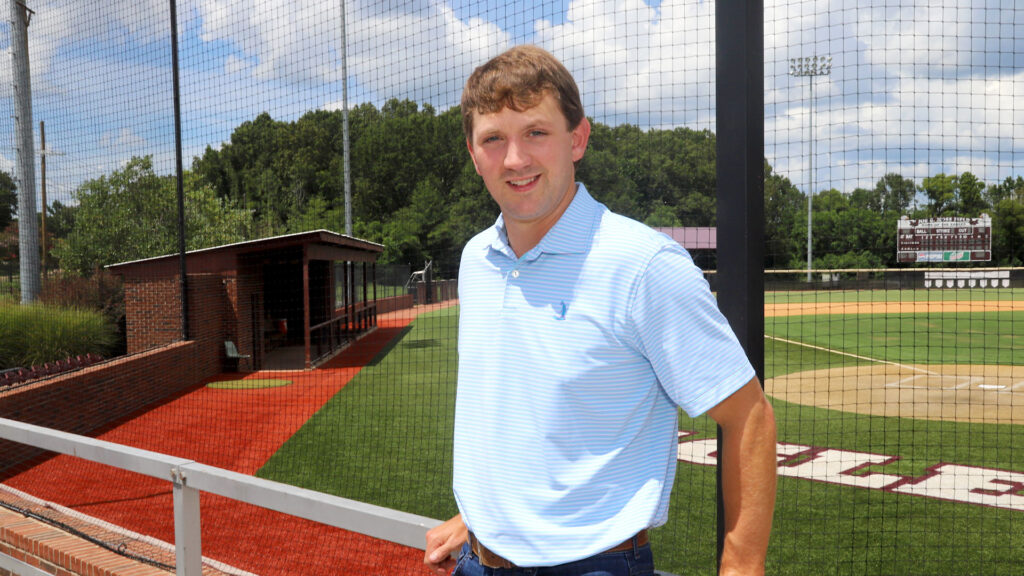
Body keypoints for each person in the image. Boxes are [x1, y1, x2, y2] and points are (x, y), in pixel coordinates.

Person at [425, 45, 776, 576]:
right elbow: (515, 412)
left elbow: (749, 417)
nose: (515, 159)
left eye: (536, 132)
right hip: (478, 562)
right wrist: (481, 517)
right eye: (494, 139)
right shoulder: (478, 259)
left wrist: (742, 570)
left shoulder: (643, 265)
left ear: (578, 139)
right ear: (475, 155)